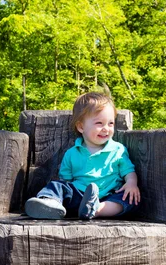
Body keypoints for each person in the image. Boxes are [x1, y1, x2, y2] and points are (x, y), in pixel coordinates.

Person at [25, 92, 140, 220]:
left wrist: (131, 183)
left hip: (109, 196)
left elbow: (129, 171)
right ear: (81, 126)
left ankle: (96, 210)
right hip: (80, 196)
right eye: (99, 123)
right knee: (57, 186)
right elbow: (66, 180)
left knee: (129, 199)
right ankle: (50, 203)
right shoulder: (72, 153)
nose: (106, 128)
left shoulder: (118, 149)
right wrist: (65, 194)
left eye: (110, 123)